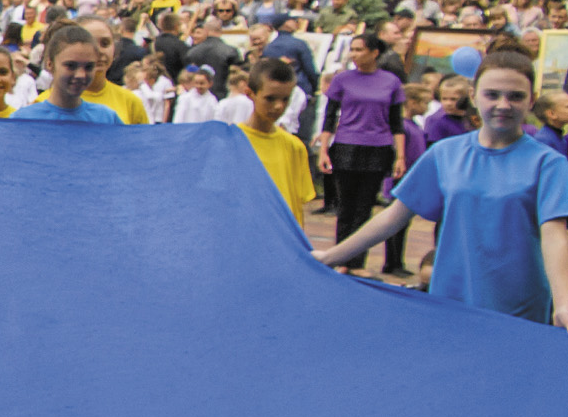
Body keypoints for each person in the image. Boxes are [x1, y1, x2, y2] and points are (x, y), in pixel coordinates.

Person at [317, 52, 568, 323]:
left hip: (517, 307)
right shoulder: (445, 154)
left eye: (516, 96)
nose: (503, 105)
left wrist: (563, 302)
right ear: (473, 96)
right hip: (450, 300)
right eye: (492, 94)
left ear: (532, 99)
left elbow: (555, 237)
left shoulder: (549, 164)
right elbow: (393, 217)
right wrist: (331, 256)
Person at [317, 32, 406, 268]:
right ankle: (340, 257)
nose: (354, 54)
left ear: (374, 53)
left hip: (378, 148)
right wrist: (324, 149)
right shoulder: (342, 79)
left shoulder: (391, 82)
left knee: (364, 207)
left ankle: (357, 261)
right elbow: (329, 116)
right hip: (346, 145)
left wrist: (400, 156)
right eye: (352, 49)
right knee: (345, 206)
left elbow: (397, 122)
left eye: (359, 49)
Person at [236, 59, 316, 223]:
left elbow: (297, 205)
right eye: (270, 98)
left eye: (285, 99)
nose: (279, 106)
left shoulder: (294, 146)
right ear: (250, 94)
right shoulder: (231, 142)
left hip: (283, 241)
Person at [13, 27, 122, 124]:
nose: (81, 75)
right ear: (50, 64)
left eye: (89, 67)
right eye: (71, 66)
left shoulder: (106, 118)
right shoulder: (23, 120)